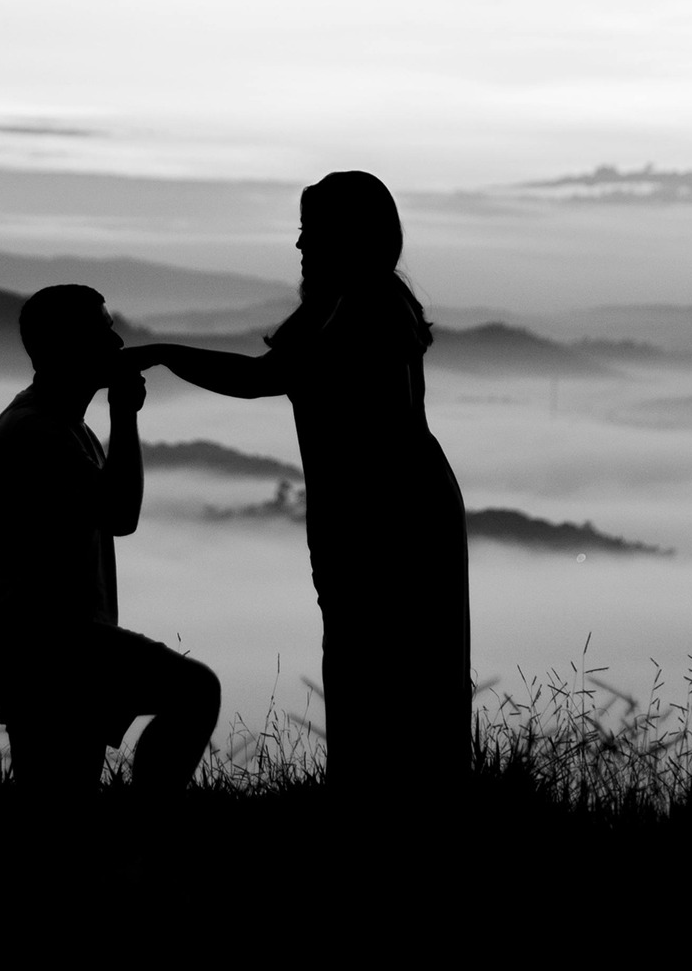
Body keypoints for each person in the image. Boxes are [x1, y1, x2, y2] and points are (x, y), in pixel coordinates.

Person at [125, 171, 470, 799]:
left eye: (312, 231)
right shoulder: (352, 303)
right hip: (389, 512)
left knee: (382, 675)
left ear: (349, 237)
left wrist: (164, 354)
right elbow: (273, 374)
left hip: (391, 521)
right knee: (385, 674)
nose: (300, 245)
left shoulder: (365, 308)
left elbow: (265, 378)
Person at [0, 284, 221, 798]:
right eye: (103, 332)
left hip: (35, 643)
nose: (118, 343)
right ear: (67, 346)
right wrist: (124, 413)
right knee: (195, 690)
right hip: (46, 646)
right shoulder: (40, 432)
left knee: (59, 809)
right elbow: (121, 514)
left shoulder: (59, 423)